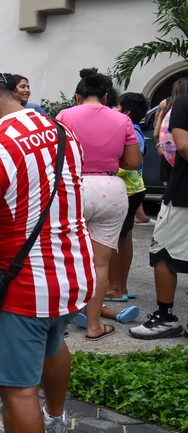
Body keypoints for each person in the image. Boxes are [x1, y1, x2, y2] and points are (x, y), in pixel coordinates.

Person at [0, 66, 94, 433]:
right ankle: (57, 420)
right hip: (72, 275)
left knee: (19, 393)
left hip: (22, 287)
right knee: (53, 346)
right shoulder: (61, 131)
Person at [56, 73, 141, 341]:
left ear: (78, 96)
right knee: (100, 264)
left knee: (61, 257)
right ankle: (94, 326)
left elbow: (53, 153)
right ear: (106, 97)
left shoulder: (64, 116)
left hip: (72, 187)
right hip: (110, 189)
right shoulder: (122, 119)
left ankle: (57, 326)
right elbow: (133, 162)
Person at [130, 95, 188, 340]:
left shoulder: (184, 103)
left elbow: (183, 146)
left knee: (162, 251)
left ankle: (165, 317)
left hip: (184, 193)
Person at [108, 92, 149, 304]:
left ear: (127, 111)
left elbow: (132, 162)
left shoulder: (130, 131)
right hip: (133, 190)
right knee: (124, 238)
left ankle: (115, 287)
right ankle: (121, 285)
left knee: (115, 240)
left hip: (128, 190)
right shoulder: (136, 130)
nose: (114, 109)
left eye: (118, 106)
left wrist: (108, 165)